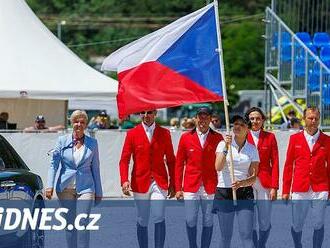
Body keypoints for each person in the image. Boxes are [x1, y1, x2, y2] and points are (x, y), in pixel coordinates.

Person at [46, 110, 103, 248]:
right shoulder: (62, 141)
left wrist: (99, 191)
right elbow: (54, 165)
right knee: (70, 224)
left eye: (82, 122)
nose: (79, 124)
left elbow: (95, 168)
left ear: (86, 125)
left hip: (86, 188)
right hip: (65, 188)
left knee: (83, 222)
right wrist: (50, 185)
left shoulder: (93, 143)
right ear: (71, 123)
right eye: (76, 121)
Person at [119, 110, 175, 248]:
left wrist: (174, 183)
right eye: (143, 113)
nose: (146, 115)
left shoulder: (165, 133)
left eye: (149, 112)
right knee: (142, 219)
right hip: (139, 182)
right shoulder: (132, 133)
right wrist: (124, 180)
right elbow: (124, 160)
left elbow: (171, 160)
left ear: (155, 113)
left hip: (159, 181)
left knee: (159, 215)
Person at [282, 107, 330, 248]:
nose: (313, 121)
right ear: (304, 119)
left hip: (320, 187)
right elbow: (289, 165)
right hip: (299, 186)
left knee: (318, 222)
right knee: (297, 223)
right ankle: (298, 245)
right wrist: (285, 190)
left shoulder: (327, 140)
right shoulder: (294, 139)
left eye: (316, 118)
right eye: (310, 118)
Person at [175, 107, 223, 248]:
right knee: (191, 220)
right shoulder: (185, 137)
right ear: (195, 119)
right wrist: (178, 188)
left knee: (208, 220)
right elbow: (178, 165)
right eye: (200, 117)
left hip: (210, 187)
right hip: (191, 186)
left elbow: (223, 164)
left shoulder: (218, 138)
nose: (202, 120)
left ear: (210, 119)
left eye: (206, 117)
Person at [213, 115, 259, 248]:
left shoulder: (252, 149)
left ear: (248, 129)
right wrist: (227, 146)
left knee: (246, 236)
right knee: (225, 236)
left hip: (244, 192)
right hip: (224, 191)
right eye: (235, 124)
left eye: (242, 124)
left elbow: (254, 176)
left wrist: (242, 183)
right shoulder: (223, 144)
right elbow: (218, 167)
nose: (237, 126)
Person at [245, 107, 279, 248]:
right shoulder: (242, 136)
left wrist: (274, 187)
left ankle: (262, 244)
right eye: (252, 118)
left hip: (265, 182)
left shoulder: (270, 137)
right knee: (250, 219)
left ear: (263, 120)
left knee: (264, 220)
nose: (255, 121)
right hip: (247, 182)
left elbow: (275, 162)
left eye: (258, 118)